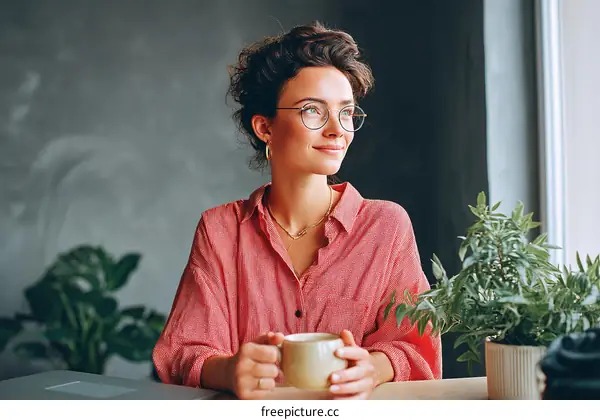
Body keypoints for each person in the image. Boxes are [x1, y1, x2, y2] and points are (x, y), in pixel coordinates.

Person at [152, 21, 442, 400]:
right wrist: (230, 370)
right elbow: (184, 352)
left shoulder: (386, 226)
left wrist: (370, 368)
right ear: (265, 128)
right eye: (312, 111)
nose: (337, 130)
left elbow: (415, 345)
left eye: (347, 113)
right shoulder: (220, 229)